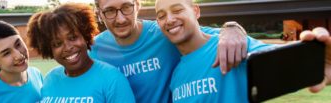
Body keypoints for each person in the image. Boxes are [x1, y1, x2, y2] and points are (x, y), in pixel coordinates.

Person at [154, 0, 331, 102]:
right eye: (161, 16)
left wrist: (320, 61)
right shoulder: (176, 75)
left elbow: (286, 62)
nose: (169, 19)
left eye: (177, 10)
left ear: (195, 11)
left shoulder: (232, 45)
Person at [90, 0, 247, 102]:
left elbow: (204, 35)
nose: (121, 19)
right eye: (109, 11)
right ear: (99, 14)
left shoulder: (164, 32)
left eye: (126, 8)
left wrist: (232, 27)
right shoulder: (95, 50)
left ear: (137, 5)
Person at [27, 3, 135, 103]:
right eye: (57, 44)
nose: (68, 47)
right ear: (49, 49)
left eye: (73, 37)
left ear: (85, 36)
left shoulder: (113, 80)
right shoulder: (50, 79)